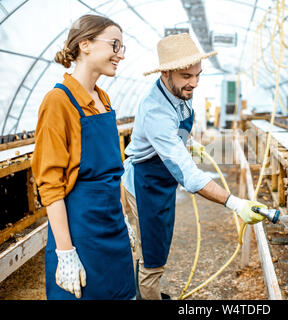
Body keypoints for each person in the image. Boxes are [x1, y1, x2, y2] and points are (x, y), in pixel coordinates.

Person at [122, 33, 267, 300]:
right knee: (152, 254)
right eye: (187, 76)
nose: (195, 83)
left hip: (161, 178)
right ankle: (146, 295)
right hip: (146, 182)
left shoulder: (179, 92)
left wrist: (187, 144)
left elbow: (177, 133)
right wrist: (236, 203)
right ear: (166, 73)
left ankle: (145, 291)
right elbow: (188, 176)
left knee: (158, 244)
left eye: (198, 74)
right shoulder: (155, 110)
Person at [31, 14, 136, 300]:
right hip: (81, 234)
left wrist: (124, 219)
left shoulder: (104, 99)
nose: (120, 55)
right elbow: (49, 186)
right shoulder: (59, 101)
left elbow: (115, 172)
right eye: (115, 45)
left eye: (122, 48)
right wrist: (65, 252)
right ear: (86, 44)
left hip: (112, 226)